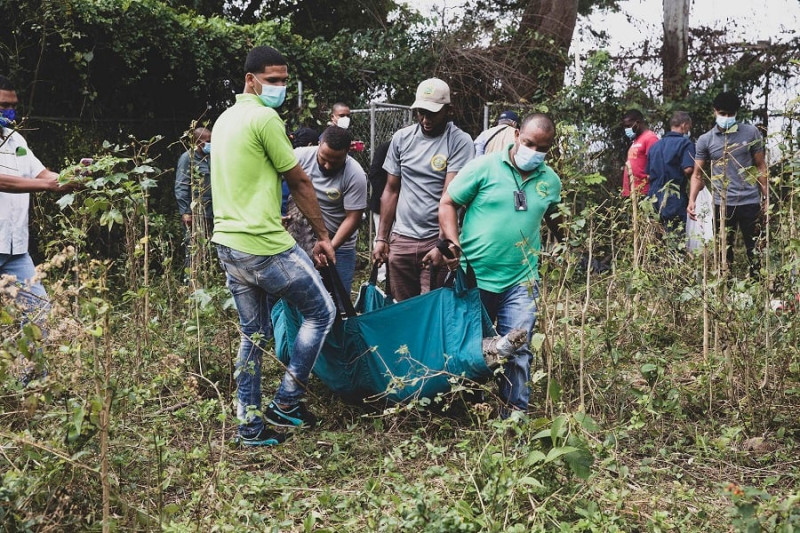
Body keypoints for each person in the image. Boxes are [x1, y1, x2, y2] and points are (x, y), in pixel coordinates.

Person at [210, 46, 336, 447]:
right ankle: (287, 400)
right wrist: (322, 236)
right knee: (322, 311)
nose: (280, 87)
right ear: (251, 79)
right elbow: (299, 181)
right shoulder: (265, 118)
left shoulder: (224, 120)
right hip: (264, 246)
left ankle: (249, 426)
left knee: (255, 334)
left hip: (228, 245)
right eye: (273, 80)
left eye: (284, 80)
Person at [432, 113, 563, 415]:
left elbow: (557, 219)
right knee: (468, 345)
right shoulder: (483, 167)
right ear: (517, 135)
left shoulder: (550, 181)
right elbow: (448, 202)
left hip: (522, 279)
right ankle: (461, 405)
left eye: (541, 148)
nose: (533, 151)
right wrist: (453, 241)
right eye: (528, 142)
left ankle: (514, 415)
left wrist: (565, 245)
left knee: (519, 347)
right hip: (474, 276)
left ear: (549, 148)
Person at [0, 74, 79, 378]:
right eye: (3, 106)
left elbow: (44, 173)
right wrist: (47, 187)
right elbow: (5, 181)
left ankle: (31, 381)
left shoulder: (18, 140)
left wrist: (74, 177)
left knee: (38, 310)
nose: (10, 113)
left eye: (13, 106)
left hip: (16, 250)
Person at [372, 77, 474, 301]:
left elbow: (450, 198)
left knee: (435, 306)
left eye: (432, 113)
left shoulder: (459, 141)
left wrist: (442, 244)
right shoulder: (402, 138)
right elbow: (391, 190)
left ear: (448, 110)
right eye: (420, 112)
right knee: (402, 306)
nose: (425, 119)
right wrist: (382, 238)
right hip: (403, 237)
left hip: (434, 238)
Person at [687, 91, 768, 276]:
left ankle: (757, 287)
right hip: (721, 204)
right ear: (715, 112)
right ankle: (726, 289)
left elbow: (760, 166)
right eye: (723, 113)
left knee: (755, 250)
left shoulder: (751, 132)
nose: (727, 118)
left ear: (736, 113)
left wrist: (766, 197)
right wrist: (691, 200)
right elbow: (697, 174)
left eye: (731, 114)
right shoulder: (706, 140)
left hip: (749, 202)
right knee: (724, 250)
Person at [294, 126, 367, 295]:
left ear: (347, 153)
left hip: (340, 245)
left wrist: (330, 247)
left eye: (335, 162)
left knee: (339, 300)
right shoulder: (300, 156)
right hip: (304, 241)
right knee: (304, 298)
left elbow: (353, 218)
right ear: (319, 145)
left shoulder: (355, 174)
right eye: (323, 158)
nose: (327, 166)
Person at [645, 111, 695, 232]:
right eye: (689, 126)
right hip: (673, 196)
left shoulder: (655, 146)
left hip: (653, 197)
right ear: (684, 125)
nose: (688, 129)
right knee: (675, 237)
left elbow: (647, 175)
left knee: (656, 238)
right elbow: (688, 169)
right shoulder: (685, 143)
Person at [175, 126, 213, 276]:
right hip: (196, 212)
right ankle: (189, 283)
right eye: (208, 141)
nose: (211, 144)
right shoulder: (187, 158)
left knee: (208, 250)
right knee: (193, 249)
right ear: (198, 143)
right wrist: (185, 212)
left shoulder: (211, 157)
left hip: (212, 211)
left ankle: (206, 280)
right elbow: (181, 186)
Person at [621, 109, 659, 197]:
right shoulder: (636, 140)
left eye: (628, 126)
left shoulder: (650, 138)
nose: (626, 129)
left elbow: (655, 166)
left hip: (643, 192)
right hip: (631, 192)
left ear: (637, 123)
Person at [368, 141, 391, 281]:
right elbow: (374, 173)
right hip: (382, 204)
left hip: (404, 204)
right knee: (381, 236)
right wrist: (386, 197)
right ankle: (381, 274)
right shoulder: (386, 147)